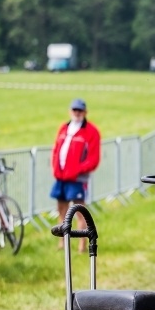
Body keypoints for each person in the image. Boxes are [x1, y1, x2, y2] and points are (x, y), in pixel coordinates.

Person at [51, 98, 101, 253]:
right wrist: (55, 168)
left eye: (80, 110)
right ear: (70, 111)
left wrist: (77, 169)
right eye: (74, 110)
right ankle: (62, 243)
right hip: (61, 178)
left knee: (79, 211)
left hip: (77, 179)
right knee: (61, 210)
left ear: (85, 112)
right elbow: (56, 149)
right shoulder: (64, 128)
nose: (77, 113)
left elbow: (93, 159)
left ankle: (82, 246)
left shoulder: (91, 131)